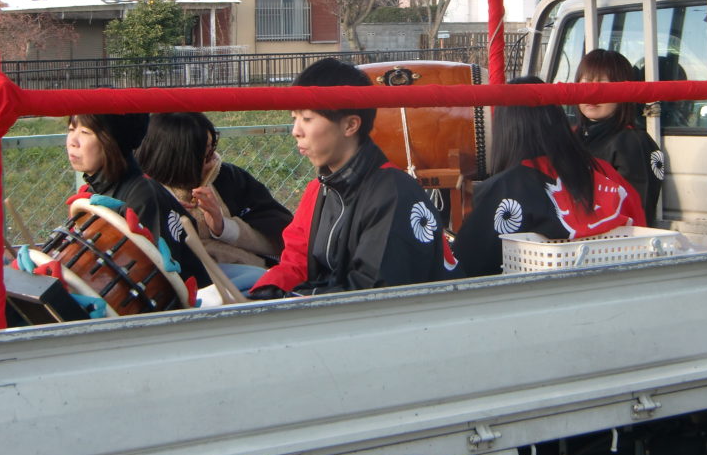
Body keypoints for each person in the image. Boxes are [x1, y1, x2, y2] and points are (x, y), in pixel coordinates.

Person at [247, 58, 459, 298]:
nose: (296, 130)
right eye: (294, 118)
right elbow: (296, 263)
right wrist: (261, 296)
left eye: (306, 119)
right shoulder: (318, 189)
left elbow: (374, 291)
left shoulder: (394, 194)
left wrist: (289, 302)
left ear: (350, 125)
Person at [453, 76, 646, 278]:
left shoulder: (503, 190)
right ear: (558, 118)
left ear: (506, 129)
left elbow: (466, 266)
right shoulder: (607, 174)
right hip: (623, 289)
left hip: (537, 300)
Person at [135, 112, 293, 293]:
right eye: (205, 153)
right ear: (178, 158)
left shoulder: (229, 179)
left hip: (247, 276)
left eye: (212, 147)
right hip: (187, 283)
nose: (213, 156)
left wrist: (222, 226)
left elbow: (282, 235)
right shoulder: (145, 192)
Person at [64, 112, 216, 295]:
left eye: (85, 132)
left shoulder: (143, 196)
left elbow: (157, 281)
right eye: (71, 129)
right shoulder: (93, 191)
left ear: (113, 140)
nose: (73, 141)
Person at [574, 49, 665, 222]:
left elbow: (635, 209)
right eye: (585, 84)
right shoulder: (571, 136)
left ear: (624, 90)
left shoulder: (633, 142)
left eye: (603, 85)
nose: (592, 93)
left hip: (615, 243)